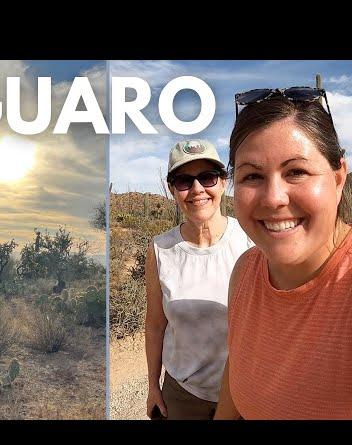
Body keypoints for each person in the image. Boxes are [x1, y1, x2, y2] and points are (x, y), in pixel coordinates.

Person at [214, 86, 352, 419]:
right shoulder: (245, 271)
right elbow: (239, 366)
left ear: (338, 179)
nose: (274, 197)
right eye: (252, 176)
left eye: (296, 172)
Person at [145, 139, 254, 420]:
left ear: (223, 183)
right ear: (172, 190)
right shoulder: (160, 249)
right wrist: (152, 387)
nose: (197, 190)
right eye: (183, 181)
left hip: (245, 393)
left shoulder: (250, 241)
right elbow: (156, 325)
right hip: (182, 395)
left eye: (207, 177)